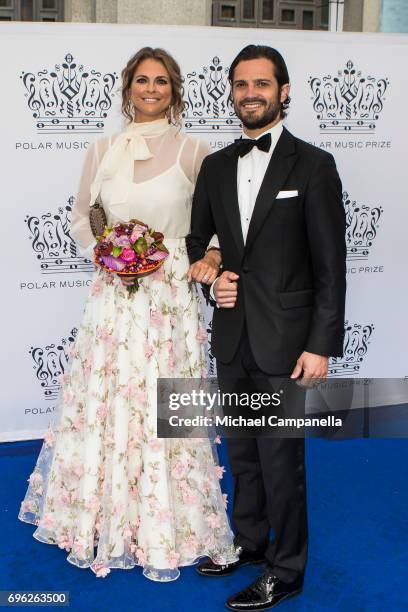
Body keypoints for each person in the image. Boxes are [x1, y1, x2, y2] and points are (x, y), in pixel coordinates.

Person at [19, 47, 237, 581]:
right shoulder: (102, 149)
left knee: (164, 401)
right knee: (110, 400)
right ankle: (98, 514)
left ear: (175, 89)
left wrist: (203, 256)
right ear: (127, 88)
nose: (151, 89)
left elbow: (213, 227)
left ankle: (173, 521)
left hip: (168, 302)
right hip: (115, 297)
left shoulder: (195, 151)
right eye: (142, 80)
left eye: (161, 81)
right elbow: (82, 218)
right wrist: (109, 252)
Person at [187, 44, 346, 610]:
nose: (249, 93)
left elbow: (331, 266)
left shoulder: (314, 165)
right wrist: (211, 276)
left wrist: (321, 345)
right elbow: (198, 243)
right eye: (240, 84)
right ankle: (249, 542)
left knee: (282, 460)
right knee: (244, 453)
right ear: (231, 92)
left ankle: (287, 568)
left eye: (261, 83)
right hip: (232, 335)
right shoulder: (214, 166)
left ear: (284, 91)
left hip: (286, 341)